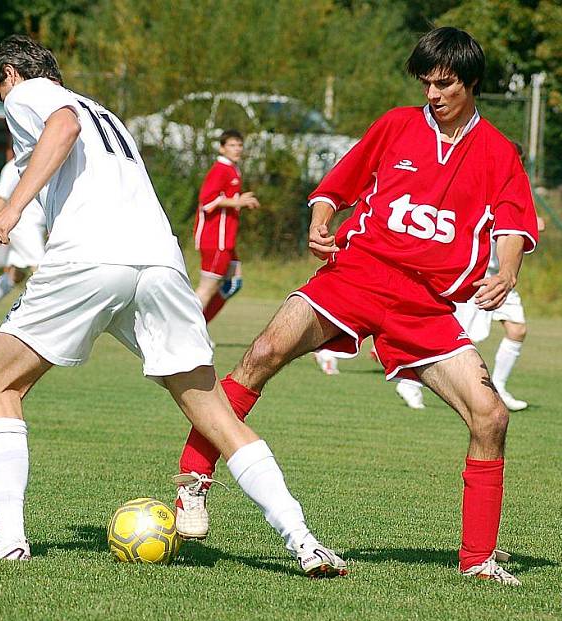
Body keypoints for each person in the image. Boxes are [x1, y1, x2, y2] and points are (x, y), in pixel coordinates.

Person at [0, 35, 346, 578]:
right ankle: (306, 542)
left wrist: (11, 211)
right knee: (216, 416)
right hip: (159, 264)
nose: (2, 104)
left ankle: (7, 537)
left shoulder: (29, 94)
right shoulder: (104, 110)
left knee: (0, 384)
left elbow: (59, 128)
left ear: (11, 73)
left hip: (90, 259)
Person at [174, 27, 539, 586]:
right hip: (358, 273)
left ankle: (479, 560)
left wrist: (507, 269)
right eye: (426, 84)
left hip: (424, 304)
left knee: (490, 415)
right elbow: (335, 188)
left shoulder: (496, 151)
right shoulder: (396, 125)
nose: (433, 94)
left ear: (471, 84)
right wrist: (321, 223)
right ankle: (193, 481)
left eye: (444, 84)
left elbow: (513, 222)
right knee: (264, 351)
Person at [396, 217, 546, 412]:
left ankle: (499, 387)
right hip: (477, 276)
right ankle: (410, 384)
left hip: (501, 278)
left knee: (517, 330)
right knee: (460, 339)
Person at [0, 147, 47, 328]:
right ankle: (42, 320)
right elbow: (1, 196)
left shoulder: (46, 161)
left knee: (16, 275)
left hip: (36, 227)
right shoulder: (14, 166)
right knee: (43, 270)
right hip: (22, 226)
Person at [193, 130, 260, 323]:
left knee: (233, 284)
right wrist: (237, 202)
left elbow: (226, 199)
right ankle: (185, 331)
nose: (237, 149)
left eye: (239, 145)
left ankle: (200, 327)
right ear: (222, 148)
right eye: (232, 145)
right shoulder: (220, 169)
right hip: (215, 238)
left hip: (226, 241)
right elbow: (207, 201)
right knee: (206, 289)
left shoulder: (233, 169)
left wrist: (240, 200)